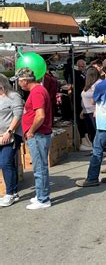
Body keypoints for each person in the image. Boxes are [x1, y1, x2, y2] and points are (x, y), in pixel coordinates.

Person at [76, 58, 106, 187]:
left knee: (97, 150)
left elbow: (93, 101)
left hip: (105, 121)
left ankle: (92, 178)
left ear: (103, 69)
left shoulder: (101, 85)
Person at [15, 68, 52, 209]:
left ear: (25, 80)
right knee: (40, 166)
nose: (19, 83)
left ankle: (43, 199)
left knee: (39, 167)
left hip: (38, 135)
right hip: (38, 134)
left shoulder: (37, 92)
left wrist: (31, 131)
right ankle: (41, 194)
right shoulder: (38, 91)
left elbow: (40, 115)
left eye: (19, 80)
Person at [0, 74, 24, 207]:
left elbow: (18, 115)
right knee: (7, 163)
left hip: (11, 135)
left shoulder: (13, 96)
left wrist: (9, 131)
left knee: (5, 163)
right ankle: (13, 192)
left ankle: (9, 193)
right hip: (1, 136)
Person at [80, 67, 101, 151]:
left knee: (95, 131)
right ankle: (95, 149)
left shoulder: (98, 84)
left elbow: (100, 97)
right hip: (87, 111)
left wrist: (95, 106)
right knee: (91, 131)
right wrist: (83, 110)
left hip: (94, 111)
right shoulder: (88, 84)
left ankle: (100, 149)